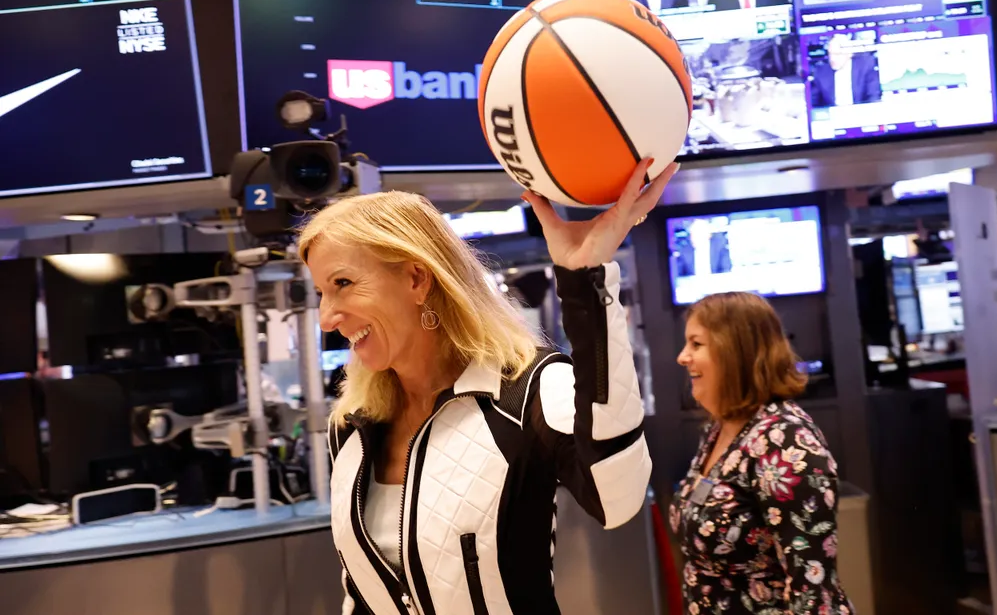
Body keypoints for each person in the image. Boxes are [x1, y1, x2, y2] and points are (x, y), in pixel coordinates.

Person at [304, 158, 677, 615]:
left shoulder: (528, 389)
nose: (327, 316)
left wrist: (587, 284)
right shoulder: (353, 425)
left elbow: (618, 498)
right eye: (322, 291)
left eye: (343, 283)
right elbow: (359, 594)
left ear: (416, 278)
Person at [671, 292, 853, 614]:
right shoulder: (721, 429)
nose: (682, 357)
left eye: (696, 344)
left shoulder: (786, 442)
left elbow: (813, 590)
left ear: (734, 351)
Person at [810, 34, 882, 109]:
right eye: (830, 54)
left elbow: (873, 97)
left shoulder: (865, 66)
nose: (832, 59)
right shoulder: (820, 72)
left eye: (837, 54)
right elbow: (814, 103)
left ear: (849, 53)